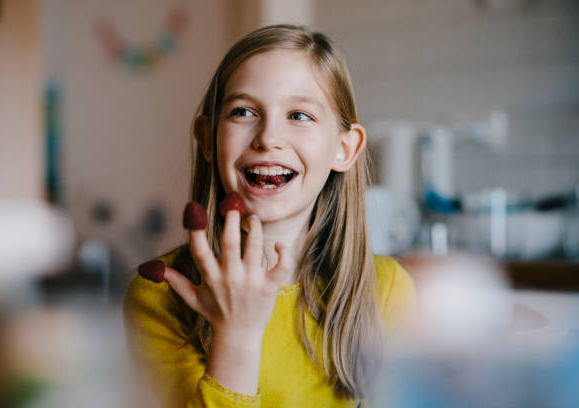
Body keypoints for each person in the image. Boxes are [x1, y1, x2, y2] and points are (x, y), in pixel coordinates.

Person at [123, 24, 416, 407]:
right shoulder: (161, 297)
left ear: (345, 148)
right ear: (208, 139)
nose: (268, 137)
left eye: (299, 115)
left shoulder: (388, 293)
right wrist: (237, 337)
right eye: (243, 111)